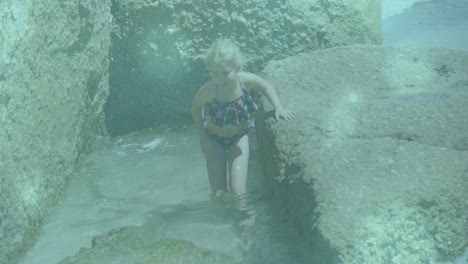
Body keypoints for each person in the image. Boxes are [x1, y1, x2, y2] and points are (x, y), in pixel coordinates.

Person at [192, 39, 295, 196]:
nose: (220, 79)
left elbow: (266, 86)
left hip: (238, 138)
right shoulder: (209, 90)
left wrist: (278, 108)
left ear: (237, 67)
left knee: (239, 192)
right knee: (218, 193)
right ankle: (221, 219)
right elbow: (196, 107)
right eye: (214, 73)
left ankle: (245, 220)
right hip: (213, 140)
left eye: (225, 73)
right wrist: (202, 137)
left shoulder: (245, 81)